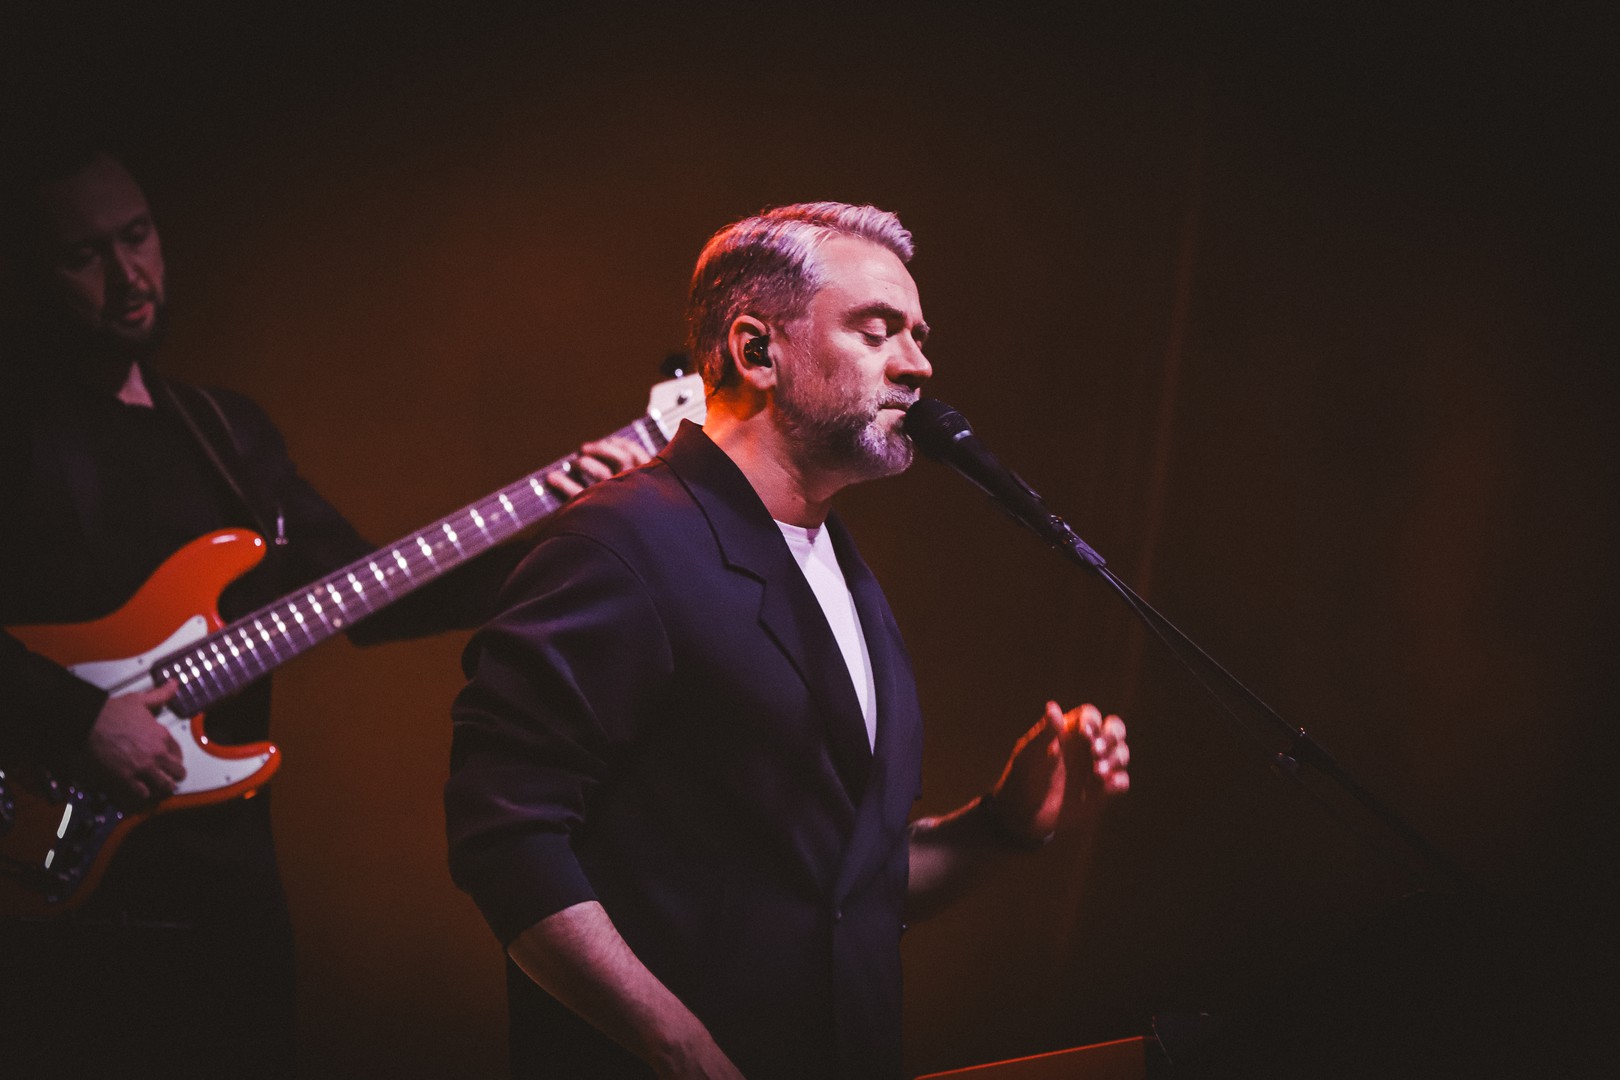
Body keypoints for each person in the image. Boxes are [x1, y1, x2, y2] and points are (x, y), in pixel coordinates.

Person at [0, 143, 649, 1077]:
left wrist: (566, 520)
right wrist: (81, 720)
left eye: (137, 236)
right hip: (49, 867)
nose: (128, 273)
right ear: (30, 271)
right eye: (84, 254)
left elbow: (368, 595)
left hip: (222, 879)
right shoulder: (19, 422)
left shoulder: (223, 431)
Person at [444, 202, 1131, 1079]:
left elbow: (842, 896)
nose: (918, 364)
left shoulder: (840, 568)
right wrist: (675, 1044)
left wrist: (1000, 825)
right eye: (877, 331)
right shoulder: (618, 545)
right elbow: (504, 836)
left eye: (918, 336)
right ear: (757, 351)